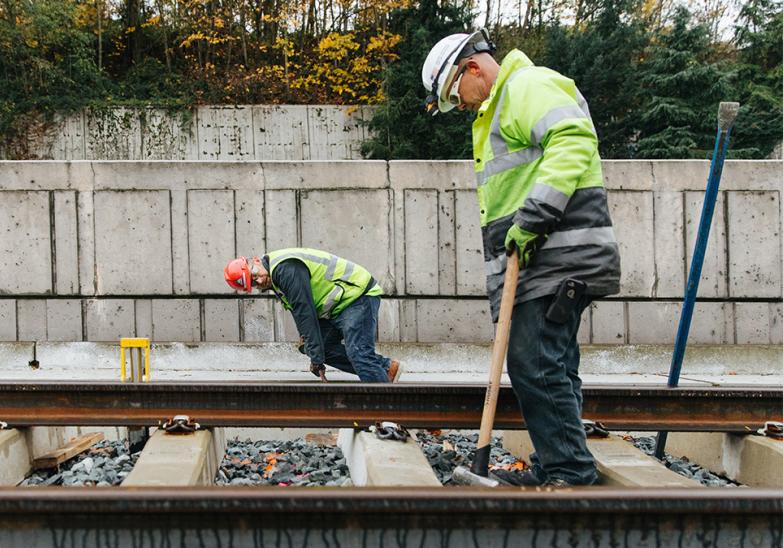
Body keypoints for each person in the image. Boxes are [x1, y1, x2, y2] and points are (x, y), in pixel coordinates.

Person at [422, 30, 621, 486]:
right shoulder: (501, 105)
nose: (463, 105)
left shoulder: (524, 87)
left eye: (456, 96)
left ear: (472, 68)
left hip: (559, 257)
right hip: (544, 261)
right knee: (550, 363)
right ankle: (561, 464)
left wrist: (533, 218)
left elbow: (573, 139)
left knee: (533, 362)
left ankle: (569, 473)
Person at [224, 248, 401, 383]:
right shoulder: (275, 279)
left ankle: (387, 417)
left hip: (356, 296)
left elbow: (304, 312)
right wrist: (315, 352)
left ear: (255, 260)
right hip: (339, 306)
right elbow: (301, 314)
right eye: (254, 283)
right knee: (310, 347)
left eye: (254, 274)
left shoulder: (284, 269)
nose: (259, 281)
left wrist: (317, 360)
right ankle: (385, 369)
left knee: (359, 353)